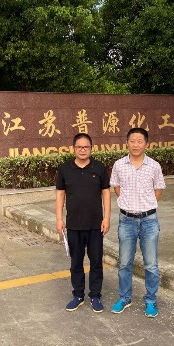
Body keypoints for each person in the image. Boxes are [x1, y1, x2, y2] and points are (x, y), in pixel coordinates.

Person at [109, 128, 166, 318]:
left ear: (146, 144)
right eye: (132, 141)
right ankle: (125, 298)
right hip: (126, 220)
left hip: (149, 220)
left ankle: (150, 300)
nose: (136, 145)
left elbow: (158, 190)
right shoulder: (119, 165)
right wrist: (129, 204)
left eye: (140, 141)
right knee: (125, 262)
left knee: (151, 264)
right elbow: (117, 187)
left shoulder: (154, 166)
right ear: (127, 143)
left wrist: (145, 206)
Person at [56, 133, 111, 313]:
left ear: (91, 149)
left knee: (96, 261)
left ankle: (95, 296)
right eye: (79, 147)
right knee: (76, 262)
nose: (82, 150)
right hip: (73, 225)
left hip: (95, 224)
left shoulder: (99, 167)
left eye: (86, 147)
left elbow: (106, 193)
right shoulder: (65, 169)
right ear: (73, 149)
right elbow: (60, 194)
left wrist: (107, 217)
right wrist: (59, 219)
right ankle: (78, 295)